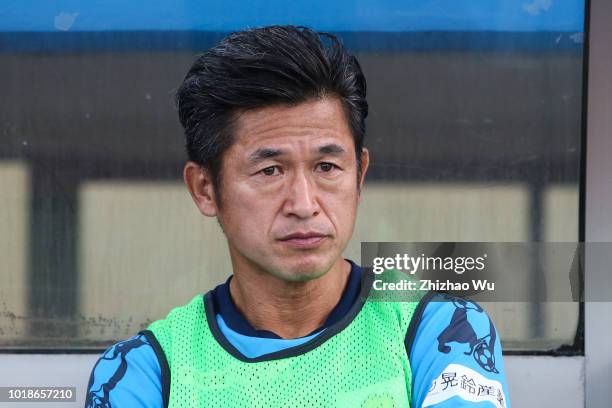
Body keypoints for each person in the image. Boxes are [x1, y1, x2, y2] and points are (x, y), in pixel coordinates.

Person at [85, 25, 510, 408]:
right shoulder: (146, 371)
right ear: (205, 189)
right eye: (270, 170)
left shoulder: (442, 330)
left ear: (359, 174)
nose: (304, 204)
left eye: (326, 167)